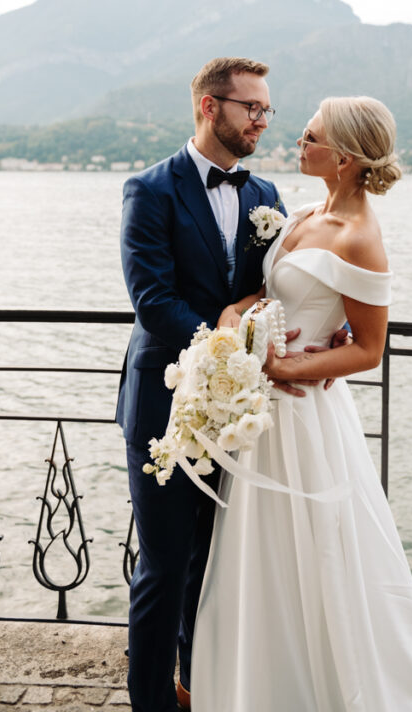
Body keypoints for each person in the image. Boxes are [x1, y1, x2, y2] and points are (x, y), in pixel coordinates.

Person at [191, 96, 412, 712]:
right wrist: (238, 318)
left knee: (317, 558)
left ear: (342, 156)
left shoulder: (359, 239)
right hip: (265, 414)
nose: (298, 142)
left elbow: (368, 349)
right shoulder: (305, 212)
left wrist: (288, 364)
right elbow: (267, 291)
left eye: (310, 137)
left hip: (303, 417)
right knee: (258, 560)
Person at [117, 57, 284, 712]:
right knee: (162, 566)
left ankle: (203, 688)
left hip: (236, 411)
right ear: (211, 107)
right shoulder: (149, 189)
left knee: (213, 567)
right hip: (163, 404)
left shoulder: (265, 196)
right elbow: (152, 299)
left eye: (267, 110)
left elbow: (269, 291)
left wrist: (258, 330)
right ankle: (152, 703)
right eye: (252, 108)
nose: (262, 121)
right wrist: (222, 341)